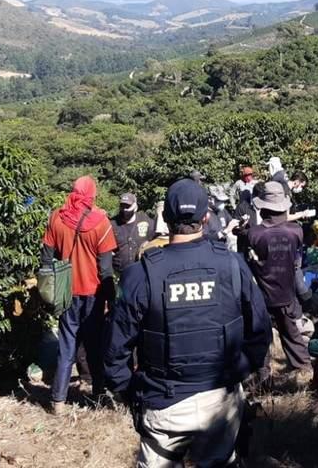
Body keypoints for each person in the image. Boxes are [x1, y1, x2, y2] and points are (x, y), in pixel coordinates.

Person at [103, 178, 272, 468]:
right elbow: (260, 333)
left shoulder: (140, 274)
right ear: (207, 217)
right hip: (220, 401)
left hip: (163, 403)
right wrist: (238, 371)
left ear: (166, 219)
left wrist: (132, 392)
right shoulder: (233, 265)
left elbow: (115, 351)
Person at [40, 176, 118, 414]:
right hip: (93, 294)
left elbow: (46, 258)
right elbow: (106, 270)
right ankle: (98, 396)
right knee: (94, 347)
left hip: (66, 292)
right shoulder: (101, 223)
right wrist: (111, 300)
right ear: (92, 195)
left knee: (66, 346)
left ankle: (58, 401)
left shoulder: (57, 217)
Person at [247, 180, 314, 383]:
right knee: (291, 331)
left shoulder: (254, 233)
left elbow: (251, 256)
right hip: (286, 291)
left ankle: (263, 375)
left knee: (260, 336)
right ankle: (303, 366)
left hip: (262, 292)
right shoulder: (296, 231)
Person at [111, 192, 157, 275]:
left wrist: (149, 244)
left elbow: (157, 239)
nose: (125, 210)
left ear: (135, 207)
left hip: (141, 272)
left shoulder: (146, 221)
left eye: (128, 207)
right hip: (119, 273)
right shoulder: (112, 224)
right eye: (122, 206)